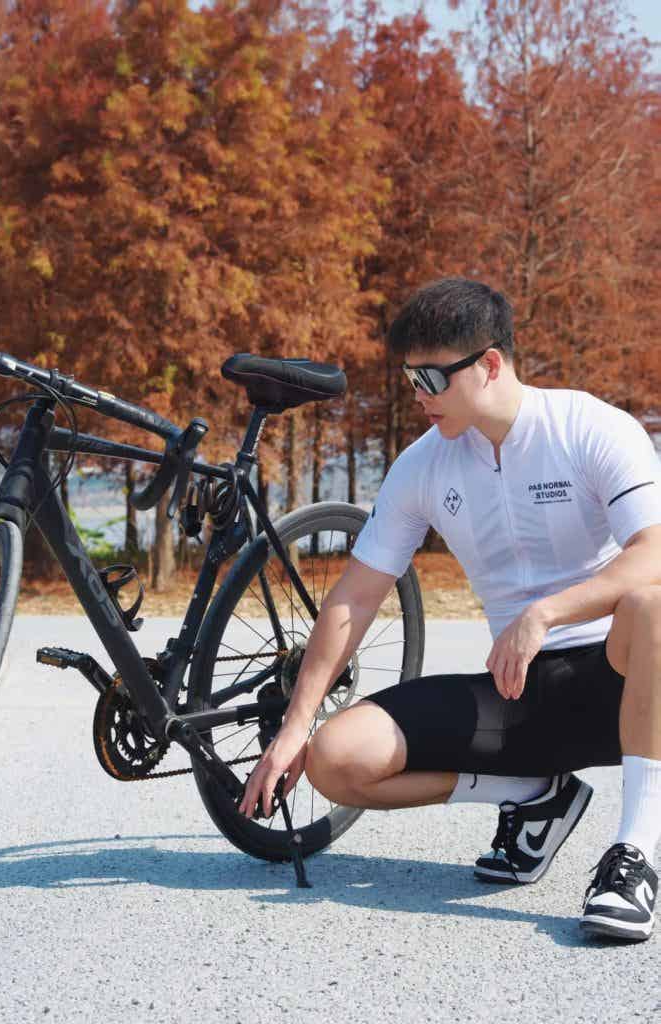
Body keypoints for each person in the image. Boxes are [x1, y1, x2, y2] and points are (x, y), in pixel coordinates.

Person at [238, 277, 661, 943]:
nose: (417, 395)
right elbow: (355, 595)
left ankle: (633, 856)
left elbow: (653, 552)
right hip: (519, 691)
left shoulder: (590, 428)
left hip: (625, 678)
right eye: (409, 378)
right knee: (337, 759)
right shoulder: (423, 465)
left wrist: (545, 613)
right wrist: (295, 724)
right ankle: (535, 797)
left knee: (652, 603)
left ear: (489, 364)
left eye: (431, 378)